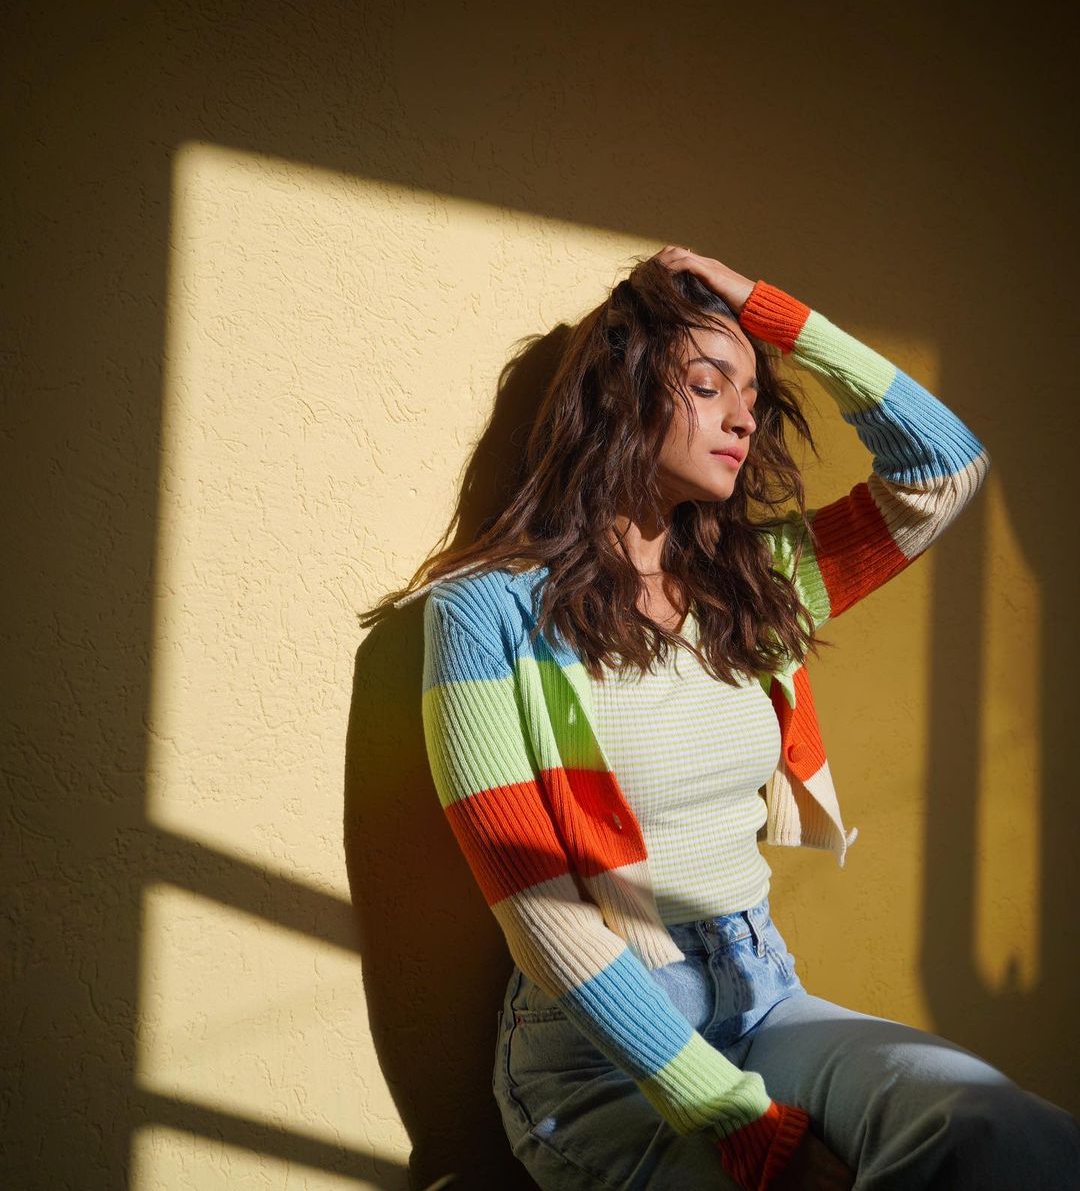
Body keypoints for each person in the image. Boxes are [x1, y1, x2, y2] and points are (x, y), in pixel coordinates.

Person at [392, 247, 1080, 1189]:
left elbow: (945, 466)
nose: (744, 414)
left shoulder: (756, 583)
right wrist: (732, 1122)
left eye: (753, 391)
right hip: (599, 1055)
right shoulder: (487, 613)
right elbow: (541, 917)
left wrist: (772, 312)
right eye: (709, 384)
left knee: (996, 1128)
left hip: (762, 995)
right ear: (623, 397)